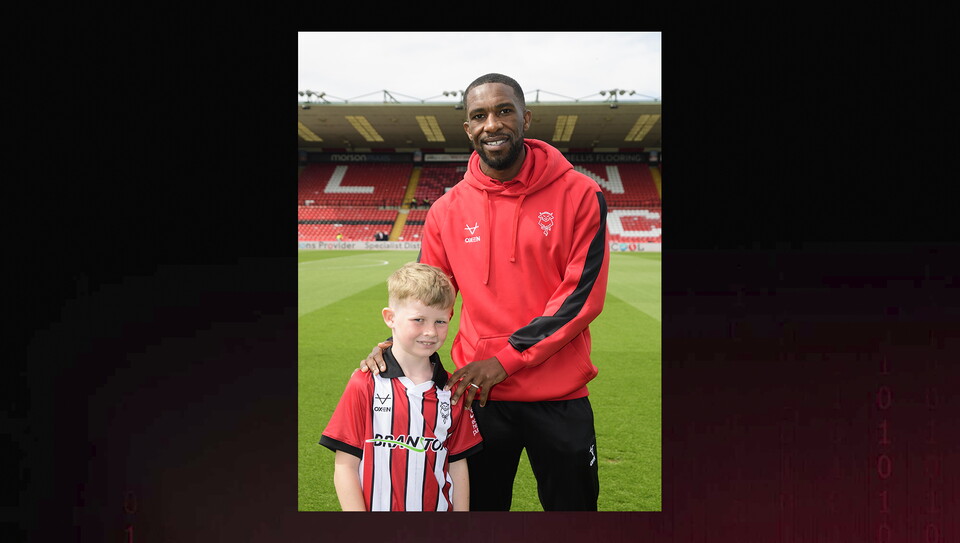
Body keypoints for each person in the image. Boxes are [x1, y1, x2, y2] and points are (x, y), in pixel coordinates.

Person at [360, 73, 610, 511]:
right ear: (468, 128)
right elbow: (427, 295)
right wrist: (394, 348)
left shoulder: (581, 194)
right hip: (478, 398)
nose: (492, 124)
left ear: (525, 118)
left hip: (559, 397)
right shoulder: (446, 210)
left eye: (503, 111)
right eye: (479, 115)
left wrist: (505, 360)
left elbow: (580, 299)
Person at [320, 262, 483, 511]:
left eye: (440, 321)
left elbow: (457, 465)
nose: (430, 332)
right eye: (418, 319)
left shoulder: (453, 391)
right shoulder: (364, 383)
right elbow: (345, 466)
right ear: (390, 318)